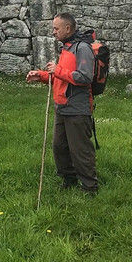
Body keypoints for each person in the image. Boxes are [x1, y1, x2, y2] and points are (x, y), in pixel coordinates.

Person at [26, 12, 98, 194]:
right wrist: (41, 76)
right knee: (59, 146)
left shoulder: (82, 48)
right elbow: (61, 77)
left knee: (80, 149)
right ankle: (69, 179)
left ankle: (90, 187)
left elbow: (85, 77)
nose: (53, 32)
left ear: (68, 28)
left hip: (78, 109)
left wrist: (57, 70)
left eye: (56, 28)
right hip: (62, 107)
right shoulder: (66, 47)